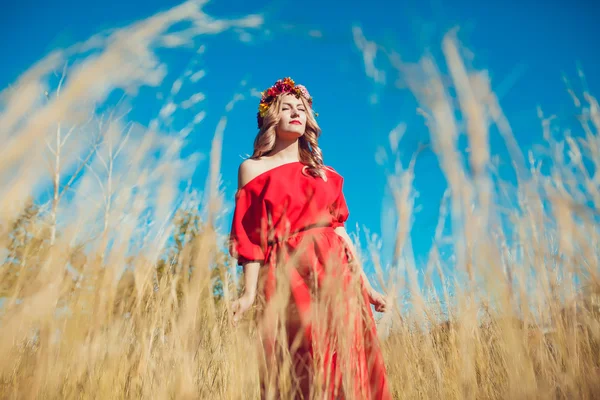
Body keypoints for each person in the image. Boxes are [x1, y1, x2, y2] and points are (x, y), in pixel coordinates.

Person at [229, 77, 391, 399]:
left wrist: (367, 286)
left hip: (336, 274)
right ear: (270, 117)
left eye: (301, 108)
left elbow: (341, 232)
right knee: (296, 364)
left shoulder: (322, 172)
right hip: (285, 274)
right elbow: (251, 239)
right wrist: (248, 294)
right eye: (287, 108)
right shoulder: (252, 168)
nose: (296, 113)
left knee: (345, 362)